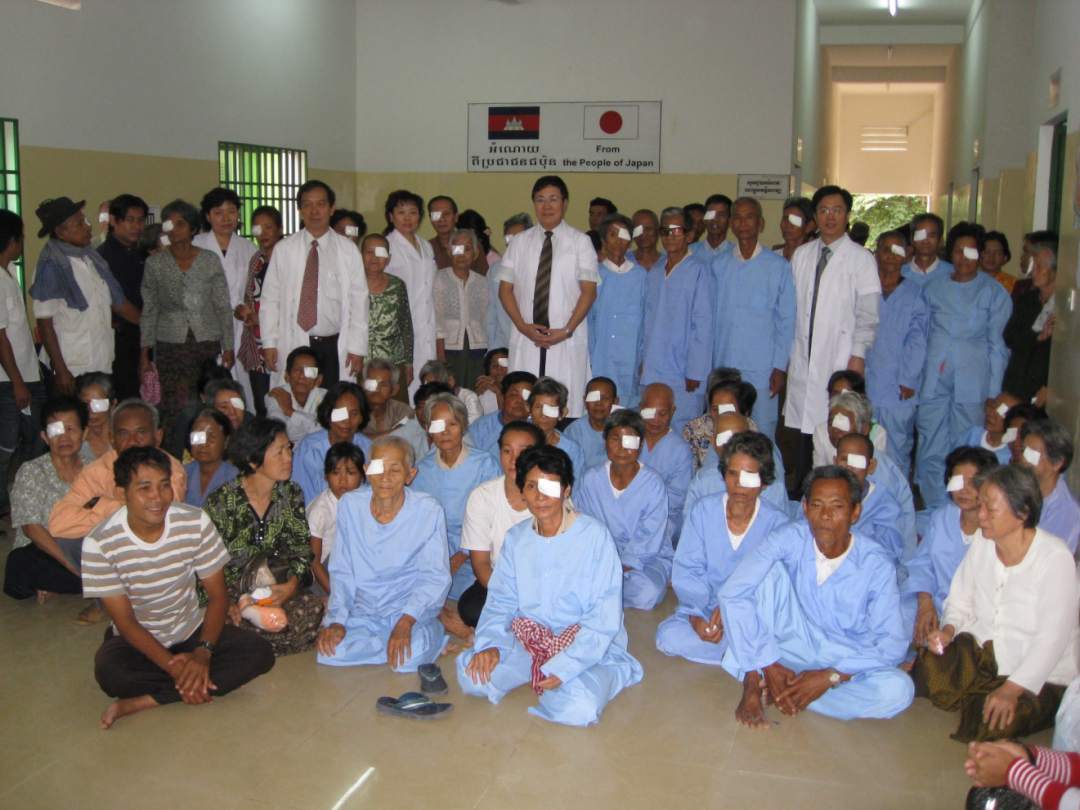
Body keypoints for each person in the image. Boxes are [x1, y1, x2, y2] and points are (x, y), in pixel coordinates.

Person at [83, 445, 274, 729]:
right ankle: (190, 683)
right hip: (138, 638)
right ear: (121, 493)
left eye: (164, 485)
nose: (157, 497)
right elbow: (125, 622)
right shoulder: (99, 543)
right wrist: (174, 666)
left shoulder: (194, 522)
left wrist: (203, 653)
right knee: (110, 673)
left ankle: (147, 700)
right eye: (144, 488)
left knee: (260, 653)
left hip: (190, 628)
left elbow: (218, 596)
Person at [457, 445, 644, 726]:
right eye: (532, 486)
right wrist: (491, 644)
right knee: (471, 675)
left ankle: (610, 671)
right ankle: (538, 667)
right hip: (530, 640)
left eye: (549, 486)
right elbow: (501, 600)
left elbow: (603, 616)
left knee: (579, 708)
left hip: (584, 643)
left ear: (566, 489)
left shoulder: (595, 536)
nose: (540, 496)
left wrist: (568, 665)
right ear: (523, 491)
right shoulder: (516, 538)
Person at [720, 467, 914, 727]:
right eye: (817, 505)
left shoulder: (876, 564)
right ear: (804, 508)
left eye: (837, 506)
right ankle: (756, 680)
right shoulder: (788, 538)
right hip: (789, 646)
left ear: (855, 512)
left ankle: (785, 691)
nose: (825, 515)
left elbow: (892, 644)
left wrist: (831, 676)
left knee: (899, 690)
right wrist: (767, 664)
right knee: (765, 574)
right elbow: (733, 592)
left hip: (843, 657)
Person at [913, 465, 1079, 741]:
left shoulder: (1054, 558)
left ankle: (998, 695)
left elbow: (1052, 639)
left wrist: (1012, 688)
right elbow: (961, 598)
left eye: (990, 509)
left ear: (1022, 513)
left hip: (1040, 670)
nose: (980, 516)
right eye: (981, 506)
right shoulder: (983, 541)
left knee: (992, 723)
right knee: (930, 667)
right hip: (988, 651)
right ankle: (981, 691)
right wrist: (949, 630)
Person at [656, 431, 791, 665]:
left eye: (749, 476)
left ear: (764, 481)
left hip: (751, 613)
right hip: (705, 607)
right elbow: (688, 570)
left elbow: (774, 588)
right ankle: (743, 656)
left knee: (779, 639)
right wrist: (696, 617)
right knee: (668, 637)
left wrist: (733, 611)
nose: (739, 484)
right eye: (732, 473)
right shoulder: (703, 511)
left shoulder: (777, 525)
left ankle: (741, 651)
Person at [316, 435, 449, 670]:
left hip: (408, 610)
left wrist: (406, 622)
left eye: (395, 470)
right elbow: (342, 569)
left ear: (410, 475)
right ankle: (389, 644)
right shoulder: (350, 505)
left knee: (405, 662)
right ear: (367, 470)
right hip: (364, 611)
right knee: (329, 653)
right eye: (378, 468)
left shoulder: (428, 510)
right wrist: (336, 620)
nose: (385, 478)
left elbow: (434, 576)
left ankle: (430, 632)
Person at [783, 185, 881, 494]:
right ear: (815, 215)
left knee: (837, 432)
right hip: (804, 356)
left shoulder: (861, 259)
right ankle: (804, 497)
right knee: (804, 438)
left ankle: (838, 493)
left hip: (839, 358)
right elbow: (792, 310)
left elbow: (868, 314)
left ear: (847, 215)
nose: (830, 217)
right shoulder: (802, 255)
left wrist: (858, 355)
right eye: (824, 210)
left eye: (837, 210)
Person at [204, 417, 324, 656]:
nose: (288, 458)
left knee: (311, 609)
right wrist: (225, 602)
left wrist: (290, 587)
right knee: (224, 622)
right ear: (253, 460)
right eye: (279, 452)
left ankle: (256, 641)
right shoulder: (222, 501)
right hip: (232, 591)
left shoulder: (290, 493)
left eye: (288, 448)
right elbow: (205, 562)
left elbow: (301, 549)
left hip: (274, 585)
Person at [916, 222, 1012, 509]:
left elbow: (997, 346)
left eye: (971, 251)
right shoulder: (933, 288)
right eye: (959, 251)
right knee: (930, 444)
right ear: (951, 252)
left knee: (966, 446)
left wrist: (993, 392)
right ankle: (934, 508)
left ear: (979, 254)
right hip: (935, 377)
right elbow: (921, 335)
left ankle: (962, 507)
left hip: (974, 380)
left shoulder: (994, 293)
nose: (964, 257)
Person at [498, 175, 599, 417]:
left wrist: (566, 330)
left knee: (562, 409)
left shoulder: (580, 242)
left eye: (553, 199)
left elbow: (589, 292)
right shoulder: (519, 242)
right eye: (540, 200)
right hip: (527, 336)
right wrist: (522, 327)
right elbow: (505, 290)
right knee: (524, 407)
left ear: (565, 203)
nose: (547, 206)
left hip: (565, 337)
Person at [260, 180, 368, 389]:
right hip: (295, 342)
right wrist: (269, 343)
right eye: (307, 205)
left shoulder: (348, 250)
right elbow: (270, 299)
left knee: (333, 400)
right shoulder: (284, 249)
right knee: (298, 400)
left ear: (331, 208)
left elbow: (359, 302)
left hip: (334, 344)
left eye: (320, 204)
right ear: (300, 210)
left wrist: (357, 348)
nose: (314, 211)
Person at [140, 199, 235, 432]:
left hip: (205, 343)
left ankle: (206, 442)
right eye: (169, 224)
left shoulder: (209, 260)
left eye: (180, 223)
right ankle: (175, 447)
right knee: (174, 403)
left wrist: (228, 346)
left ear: (193, 228)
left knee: (205, 397)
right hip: (170, 346)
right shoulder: (155, 263)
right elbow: (149, 310)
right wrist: (145, 353)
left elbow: (222, 306)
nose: (173, 229)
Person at [30, 196, 140, 394]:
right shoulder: (51, 266)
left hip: (101, 360)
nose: (88, 227)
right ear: (60, 232)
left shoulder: (92, 259)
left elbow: (119, 303)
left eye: (86, 220)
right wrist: (61, 370)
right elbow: (45, 324)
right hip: (72, 366)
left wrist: (151, 323)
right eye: (80, 223)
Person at [711, 196, 796, 440]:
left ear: (761, 223)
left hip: (763, 368)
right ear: (731, 224)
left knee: (763, 431)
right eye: (737, 218)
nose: (743, 223)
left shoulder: (777, 266)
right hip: (725, 364)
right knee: (725, 430)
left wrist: (779, 366)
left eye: (749, 217)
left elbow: (786, 320)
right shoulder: (718, 265)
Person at [49, 398, 187, 544]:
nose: (132, 441)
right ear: (112, 439)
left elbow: (151, 521)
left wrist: (98, 505)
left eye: (141, 432)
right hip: (109, 547)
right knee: (67, 544)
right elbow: (58, 524)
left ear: (158, 437)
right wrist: (112, 508)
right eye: (123, 434)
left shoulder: (171, 470)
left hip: (154, 548)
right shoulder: (99, 469)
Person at [903, 446, 999, 648]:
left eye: (973, 483)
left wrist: (950, 620)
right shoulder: (942, 517)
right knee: (897, 618)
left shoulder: (997, 528)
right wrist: (925, 602)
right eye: (957, 481)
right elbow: (922, 563)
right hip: (933, 601)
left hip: (973, 613)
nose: (964, 490)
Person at [575, 409, 671, 610]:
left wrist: (622, 564)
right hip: (600, 556)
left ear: (640, 445)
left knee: (647, 593)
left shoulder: (653, 484)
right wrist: (603, 561)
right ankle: (603, 590)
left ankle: (601, 592)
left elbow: (650, 535)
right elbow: (583, 525)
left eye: (630, 440)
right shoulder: (591, 479)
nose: (621, 447)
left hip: (644, 559)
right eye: (615, 439)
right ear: (605, 442)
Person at [412, 393, 500, 603]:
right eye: (437, 425)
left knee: (472, 600)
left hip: (477, 550)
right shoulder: (422, 469)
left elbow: (494, 519)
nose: (445, 432)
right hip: (435, 551)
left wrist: (461, 556)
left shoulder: (485, 464)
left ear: (463, 426)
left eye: (452, 424)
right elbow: (417, 523)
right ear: (428, 429)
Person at [3, 396, 92, 601]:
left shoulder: (94, 469)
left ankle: (71, 584)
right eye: (55, 430)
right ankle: (91, 582)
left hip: (83, 548)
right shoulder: (31, 471)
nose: (64, 437)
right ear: (44, 436)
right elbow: (32, 529)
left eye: (71, 429)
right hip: (44, 550)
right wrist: (72, 567)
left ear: (84, 433)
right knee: (19, 566)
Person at [458, 421, 543, 629]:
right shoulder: (482, 496)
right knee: (471, 609)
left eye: (524, 452)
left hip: (543, 580)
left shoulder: (552, 494)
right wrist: (510, 598)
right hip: (500, 579)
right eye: (507, 451)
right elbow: (481, 564)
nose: (514, 460)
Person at [641, 207, 713, 433]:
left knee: (684, 430)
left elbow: (703, 324)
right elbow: (647, 321)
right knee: (652, 428)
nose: (669, 236)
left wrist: (696, 371)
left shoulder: (699, 270)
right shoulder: (655, 271)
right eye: (664, 231)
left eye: (676, 230)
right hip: (654, 367)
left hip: (684, 373)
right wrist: (643, 359)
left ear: (689, 235)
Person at [865, 228, 928, 471]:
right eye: (885, 249)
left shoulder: (915, 293)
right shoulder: (866, 289)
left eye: (897, 250)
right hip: (868, 382)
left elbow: (918, 339)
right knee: (866, 446)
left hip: (898, 388)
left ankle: (898, 492)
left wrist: (908, 379)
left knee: (897, 448)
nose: (890, 255)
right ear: (876, 254)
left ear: (907, 254)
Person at [193, 187, 258, 402]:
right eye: (218, 213)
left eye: (231, 211)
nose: (226, 218)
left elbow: (254, 289)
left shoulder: (248, 248)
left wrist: (245, 308)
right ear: (208, 216)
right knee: (208, 380)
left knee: (240, 382)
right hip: (205, 325)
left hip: (239, 325)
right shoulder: (195, 245)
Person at [0, 210, 47, 497]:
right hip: (10, 380)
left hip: (24, 375)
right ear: (12, 240)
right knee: (7, 447)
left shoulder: (7, 275)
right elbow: (0, 336)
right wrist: (17, 381)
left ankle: (20, 498)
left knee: (33, 441)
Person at [588, 214, 646, 404]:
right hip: (601, 357)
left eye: (624, 235)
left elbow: (646, 321)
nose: (619, 240)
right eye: (613, 235)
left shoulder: (641, 275)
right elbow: (589, 320)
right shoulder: (594, 275)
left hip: (631, 357)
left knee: (627, 407)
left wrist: (644, 358)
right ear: (604, 240)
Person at [384, 189, 437, 399]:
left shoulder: (426, 245)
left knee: (427, 383)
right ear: (391, 216)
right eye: (401, 212)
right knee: (403, 383)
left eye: (413, 213)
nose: (407, 218)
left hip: (427, 323)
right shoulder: (387, 245)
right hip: (400, 326)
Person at [235, 205, 284, 418]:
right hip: (256, 343)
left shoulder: (289, 258)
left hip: (282, 341)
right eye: (257, 228)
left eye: (268, 227)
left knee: (283, 403)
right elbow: (250, 296)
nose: (262, 233)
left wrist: (262, 318)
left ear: (280, 229)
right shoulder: (256, 259)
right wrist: (243, 311)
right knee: (261, 404)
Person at [98, 194, 148, 400]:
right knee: (126, 399)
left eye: (141, 220)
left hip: (143, 339)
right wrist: (149, 324)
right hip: (120, 341)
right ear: (114, 221)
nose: (137, 226)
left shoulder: (142, 253)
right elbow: (118, 304)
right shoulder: (103, 257)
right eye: (130, 220)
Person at [292, 381, 373, 505]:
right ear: (328, 413)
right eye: (340, 413)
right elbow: (300, 496)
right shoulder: (309, 449)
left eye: (354, 414)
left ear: (362, 417)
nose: (346, 421)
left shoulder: (370, 449)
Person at [832, 432, 904, 565]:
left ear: (871, 466)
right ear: (835, 462)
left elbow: (888, 553)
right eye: (844, 460)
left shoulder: (885, 505)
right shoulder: (819, 493)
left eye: (857, 461)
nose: (849, 467)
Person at [636, 383, 694, 542]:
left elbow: (677, 497)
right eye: (650, 412)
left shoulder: (680, 449)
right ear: (641, 408)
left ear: (673, 411)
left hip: (664, 516)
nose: (655, 420)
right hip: (626, 509)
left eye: (662, 413)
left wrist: (642, 504)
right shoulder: (629, 439)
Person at [307, 442, 365, 597]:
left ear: (362, 476)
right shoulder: (320, 510)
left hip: (346, 565)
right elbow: (313, 561)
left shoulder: (362, 500)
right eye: (336, 473)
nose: (343, 480)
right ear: (326, 476)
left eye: (351, 473)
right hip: (320, 574)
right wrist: (336, 595)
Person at [1003, 237, 1057, 404]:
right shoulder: (1026, 300)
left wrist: (1051, 386)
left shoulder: (1066, 307)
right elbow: (1009, 336)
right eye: (1033, 265)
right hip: (1017, 382)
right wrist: (1036, 337)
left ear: (1055, 271)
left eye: (1039, 267)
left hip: (1043, 391)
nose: (1033, 271)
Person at [434, 228, 489, 390]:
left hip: (477, 348)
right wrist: (440, 355)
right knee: (451, 391)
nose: (462, 254)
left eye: (467, 249)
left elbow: (485, 318)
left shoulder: (482, 282)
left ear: (475, 254)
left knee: (474, 391)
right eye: (457, 248)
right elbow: (437, 318)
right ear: (449, 252)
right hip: (450, 348)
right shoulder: (440, 278)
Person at [360, 233, 414, 396]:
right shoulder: (352, 284)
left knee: (395, 407)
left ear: (388, 259)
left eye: (380, 252)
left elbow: (406, 325)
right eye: (369, 252)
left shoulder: (397, 286)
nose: (374, 257)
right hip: (360, 363)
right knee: (364, 406)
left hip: (393, 363)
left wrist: (408, 362)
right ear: (360, 255)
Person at [1017, 419, 1080, 554]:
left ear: (1057, 463)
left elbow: (1040, 554)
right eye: (1023, 451)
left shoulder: (1066, 510)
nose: (1023, 459)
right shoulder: (1017, 488)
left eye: (1032, 454)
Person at [682, 372, 753, 470]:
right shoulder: (692, 429)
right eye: (715, 409)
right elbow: (689, 470)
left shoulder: (750, 426)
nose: (720, 414)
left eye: (726, 409)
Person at [264, 346, 326, 443]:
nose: (302, 376)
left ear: (319, 380)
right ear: (287, 376)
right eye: (297, 370)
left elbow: (329, 431)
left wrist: (290, 411)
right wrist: (311, 426)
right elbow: (278, 432)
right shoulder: (276, 395)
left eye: (309, 372)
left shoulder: (326, 397)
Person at [467, 370, 536, 455]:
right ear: (503, 397)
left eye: (526, 396)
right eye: (514, 395)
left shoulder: (537, 429)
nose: (519, 400)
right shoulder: (481, 427)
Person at [527, 376, 586, 475]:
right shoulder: (516, 438)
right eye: (538, 407)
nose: (543, 414)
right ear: (530, 409)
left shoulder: (571, 449)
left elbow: (575, 482)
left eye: (551, 408)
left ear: (561, 414)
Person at [183, 409, 238, 508]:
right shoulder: (181, 474)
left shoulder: (235, 479)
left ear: (226, 441)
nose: (203, 444)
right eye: (198, 437)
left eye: (211, 437)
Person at [563, 376, 618, 471]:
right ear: (585, 401)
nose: (598, 403)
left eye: (605, 398)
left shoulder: (624, 430)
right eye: (593, 398)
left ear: (615, 401)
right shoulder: (574, 431)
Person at [428, 195, 488, 276]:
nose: (441, 219)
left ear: (456, 217)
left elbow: (483, 276)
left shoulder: (471, 244)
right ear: (431, 219)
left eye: (446, 214)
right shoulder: (427, 248)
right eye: (436, 215)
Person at [959, 393, 1023, 465]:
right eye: (993, 406)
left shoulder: (1010, 455)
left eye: (1001, 413)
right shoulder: (973, 433)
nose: (991, 413)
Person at [360, 358, 413, 440]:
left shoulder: (403, 410)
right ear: (363, 385)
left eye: (383, 385)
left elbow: (407, 434)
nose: (377, 388)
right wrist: (395, 432)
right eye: (371, 383)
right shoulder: (355, 410)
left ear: (394, 390)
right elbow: (351, 438)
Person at [419, 358, 483, 425]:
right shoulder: (427, 401)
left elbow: (473, 427)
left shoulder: (469, 398)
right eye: (425, 387)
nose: (429, 390)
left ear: (450, 381)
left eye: (433, 386)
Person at [903, 213, 952, 287]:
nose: (925, 241)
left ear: (940, 240)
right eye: (920, 235)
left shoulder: (953, 274)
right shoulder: (899, 274)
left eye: (931, 236)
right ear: (912, 239)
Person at [76, 372, 115, 459]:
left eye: (98, 404)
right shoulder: (74, 440)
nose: (91, 411)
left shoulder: (123, 437)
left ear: (112, 404)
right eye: (85, 404)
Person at [690, 194, 733, 261]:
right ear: (704, 219)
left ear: (730, 221)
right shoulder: (690, 252)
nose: (715, 219)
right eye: (710, 214)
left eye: (721, 215)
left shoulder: (736, 253)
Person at [773, 196, 815, 261]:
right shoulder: (774, 255)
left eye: (795, 220)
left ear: (809, 226)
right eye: (785, 219)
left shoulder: (813, 257)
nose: (788, 225)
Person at [473, 347, 509, 416]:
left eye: (504, 365)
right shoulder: (485, 393)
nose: (499, 369)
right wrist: (475, 397)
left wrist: (498, 393)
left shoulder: (519, 391)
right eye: (495, 366)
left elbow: (508, 419)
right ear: (488, 370)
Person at [980, 230, 1017, 294]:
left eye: (997, 253)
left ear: (1005, 257)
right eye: (987, 252)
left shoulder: (1015, 284)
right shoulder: (969, 280)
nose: (991, 257)